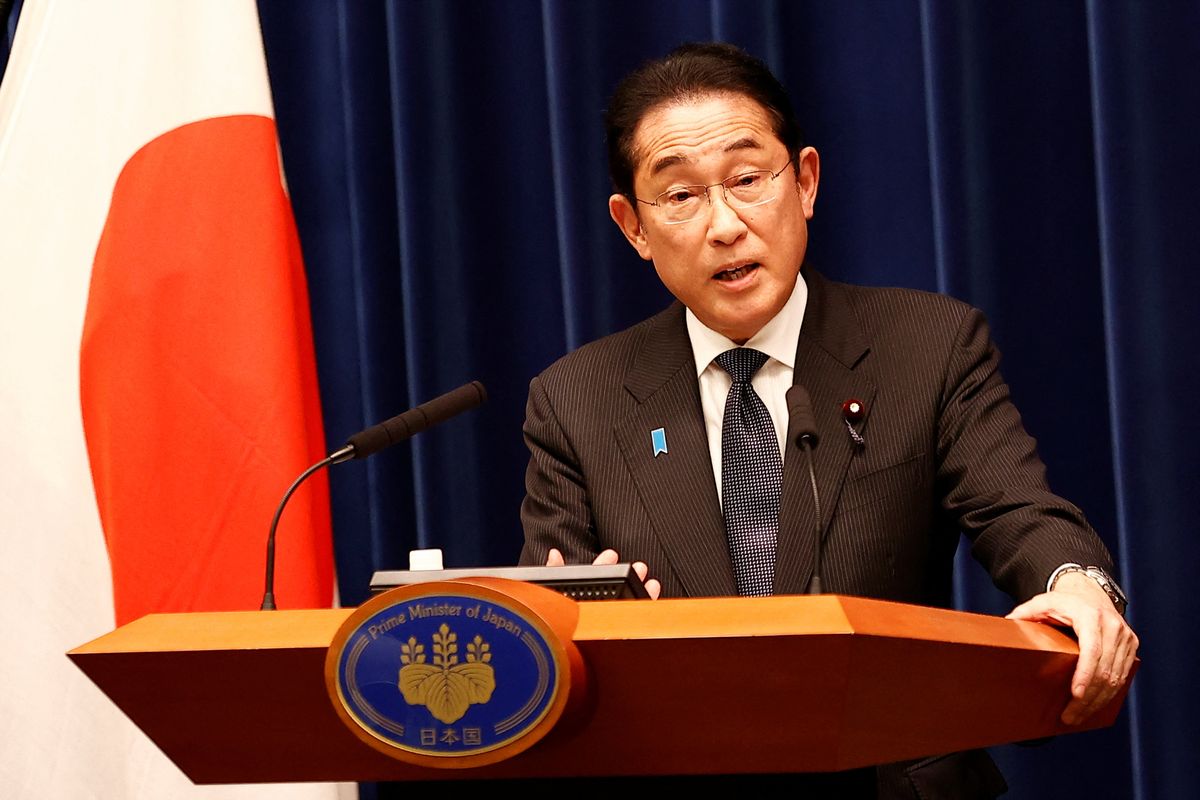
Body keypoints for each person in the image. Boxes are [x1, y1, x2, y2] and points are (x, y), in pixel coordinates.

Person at [518, 41, 1137, 798]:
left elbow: (1021, 510)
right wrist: (599, 637)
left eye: (748, 180)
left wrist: (1075, 583)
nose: (724, 225)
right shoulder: (577, 400)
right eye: (680, 196)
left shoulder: (926, 348)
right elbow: (553, 641)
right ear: (634, 227)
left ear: (804, 181)